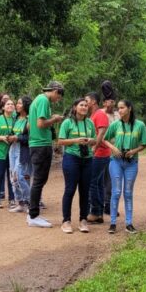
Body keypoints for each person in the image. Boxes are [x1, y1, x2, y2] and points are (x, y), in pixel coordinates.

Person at [103, 100, 146, 234]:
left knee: (128, 193)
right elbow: (105, 139)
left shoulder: (140, 125)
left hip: (131, 162)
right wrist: (113, 148)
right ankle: (112, 223)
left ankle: (129, 223)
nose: (119, 111)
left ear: (129, 108)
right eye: (118, 108)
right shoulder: (115, 124)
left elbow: (144, 144)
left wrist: (133, 151)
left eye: (122, 108)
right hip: (116, 161)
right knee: (116, 192)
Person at [26, 82, 65, 227]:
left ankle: (33, 213)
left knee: (39, 180)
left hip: (37, 144)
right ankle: (33, 215)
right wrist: (54, 119)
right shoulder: (43, 100)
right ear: (55, 91)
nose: (58, 100)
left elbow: (30, 124)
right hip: (41, 145)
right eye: (59, 96)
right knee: (39, 180)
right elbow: (41, 124)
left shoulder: (37, 100)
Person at [58, 98, 97, 233]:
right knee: (70, 190)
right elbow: (60, 141)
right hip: (71, 158)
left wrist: (91, 141)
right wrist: (76, 140)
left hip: (87, 159)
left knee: (85, 191)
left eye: (86, 105)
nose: (84, 107)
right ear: (75, 107)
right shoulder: (67, 123)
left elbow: (95, 140)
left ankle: (83, 220)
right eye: (81, 105)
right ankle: (66, 221)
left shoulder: (90, 123)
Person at [85, 92, 110, 225]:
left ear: (93, 101)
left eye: (86, 100)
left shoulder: (99, 114)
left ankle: (95, 212)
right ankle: (99, 212)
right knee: (98, 183)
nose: (85, 103)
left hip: (99, 154)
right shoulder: (93, 115)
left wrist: (94, 147)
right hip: (99, 154)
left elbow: (102, 131)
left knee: (92, 183)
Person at [8, 96, 32, 213]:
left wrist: (17, 137)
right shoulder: (16, 118)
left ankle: (31, 202)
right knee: (13, 177)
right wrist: (10, 137)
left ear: (26, 105)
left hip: (23, 150)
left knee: (21, 176)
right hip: (13, 149)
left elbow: (31, 137)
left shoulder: (30, 119)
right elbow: (14, 133)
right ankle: (20, 202)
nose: (16, 105)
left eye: (19, 103)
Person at [99, 81, 119, 216]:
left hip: (115, 150)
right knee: (102, 179)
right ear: (104, 103)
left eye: (112, 101)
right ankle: (100, 204)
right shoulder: (100, 114)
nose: (110, 103)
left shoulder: (118, 115)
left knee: (113, 179)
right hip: (102, 149)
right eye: (108, 101)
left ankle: (109, 205)